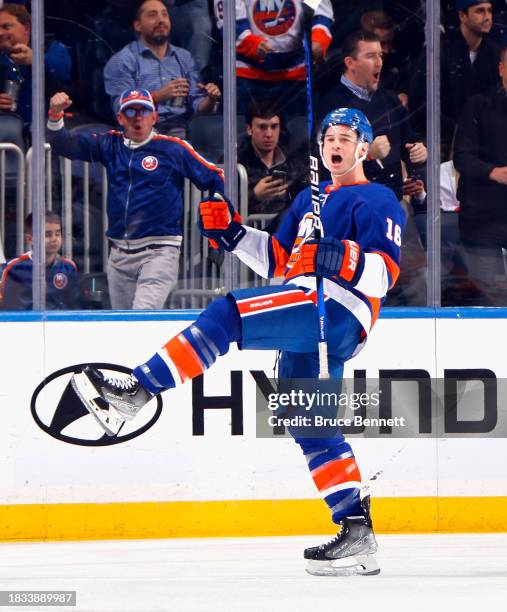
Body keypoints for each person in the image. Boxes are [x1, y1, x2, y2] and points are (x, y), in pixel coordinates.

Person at [71, 108, 406, 576]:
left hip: (339, 309)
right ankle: (356, 529)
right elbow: (279, 261)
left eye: (347, 137)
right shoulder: (308, 202)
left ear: (364, 148)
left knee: (227, 313)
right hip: (306, 305)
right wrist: (232, 233)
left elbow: (383, 273)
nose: (336, 143)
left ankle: (138, 391)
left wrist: (340, 256)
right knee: (309, 424)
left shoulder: (376, 199)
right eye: (329, 135)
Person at [47, 88, 224, 310]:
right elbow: (65, 144)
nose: (138, 117)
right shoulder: (110, 145)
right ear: (120, 118)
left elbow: (216, 178)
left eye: (144, 111)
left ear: (154, 117)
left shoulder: (173, 149)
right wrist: (55, 116)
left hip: (160, 251)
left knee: (142, 315)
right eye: (131, 112)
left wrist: (217, 223)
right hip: (119, 254)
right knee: (125, 326)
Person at [316, 30, 427, 201]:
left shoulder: (389, 99)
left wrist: (418, 151)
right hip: (350, 203)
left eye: (380, 56)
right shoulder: (331, 106)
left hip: (391, 202)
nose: (379, 63)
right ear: (350, 63)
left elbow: (408, 139)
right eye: (371, 56)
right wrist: (368, 156)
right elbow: (327, 165)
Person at [103, 0, 221, 138]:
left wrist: (211, 99)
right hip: (141, 133)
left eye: (164, 15)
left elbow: (196, 105)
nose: (161, 20)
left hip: (182, 134)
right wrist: (158, 96)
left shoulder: (184, 58)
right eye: (152, 15)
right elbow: (121, 107)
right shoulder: (123, 60)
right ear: (138, 25)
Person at [453, 41, 507, 306]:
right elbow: (462, 158)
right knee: (491, 297)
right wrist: (493, 172)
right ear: (501, 69)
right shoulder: (478, 106)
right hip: (483, 219)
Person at [409, 0, 499, 158]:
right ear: (462, 16)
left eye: (489, 11)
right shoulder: (439, 49)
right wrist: (457, 128)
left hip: (483, 139)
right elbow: (419, 104)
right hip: (442, 139)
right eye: (480, 11)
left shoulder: (494, 52)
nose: (487, 17)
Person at [230, 0, 334, 115]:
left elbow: (320, 12)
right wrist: (249, 43)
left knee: (297, 129)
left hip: (295, 75)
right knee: (249, 129)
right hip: (249, 75)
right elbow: (229, 16)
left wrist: (319, 38)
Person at [238, 99, 307, 231]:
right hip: (246, 236)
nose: (269, 134)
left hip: (286, 233)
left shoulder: (294, 161)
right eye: (262, 127)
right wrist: (254, 196)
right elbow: (223, 208)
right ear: (249, 129)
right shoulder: (236, 162)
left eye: (274, 127)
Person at [0, 3, 72, 124]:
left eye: (6, 27)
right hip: (8, 131)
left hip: (50, 127)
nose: (0, 33)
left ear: (26, 28)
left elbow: (65, 83)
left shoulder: (53, 49)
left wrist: (37, 61)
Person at [0, 211, 79, 310]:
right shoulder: (14, 268)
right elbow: (5, 308)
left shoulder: (68, 267)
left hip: (59, 324)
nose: (54, 239)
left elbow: (74, 307)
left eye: (58, 234)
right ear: (30, 239)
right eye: (47, 235)